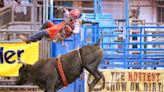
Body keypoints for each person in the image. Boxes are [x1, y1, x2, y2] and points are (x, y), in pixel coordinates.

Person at [19, 7, 98, 44]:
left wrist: (71, 31)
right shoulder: (69, 16)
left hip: (60, 34)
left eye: (72, 17)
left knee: (44, 31)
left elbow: (76, 31)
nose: (70, 17)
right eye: (70, 16)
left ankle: (28, 39)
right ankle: (37, 38)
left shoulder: (77, 23)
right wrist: (63, 9)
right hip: (59, 28)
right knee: (47, 22)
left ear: (75, 18)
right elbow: (66, 12)